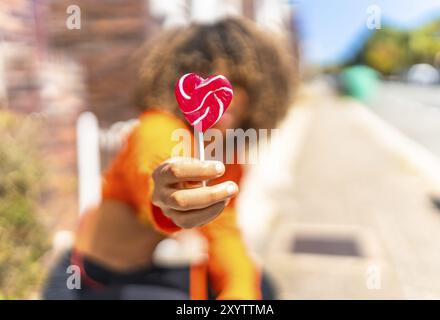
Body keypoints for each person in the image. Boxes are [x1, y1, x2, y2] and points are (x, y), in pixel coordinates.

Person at [44, 17, 298, 300]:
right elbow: (156, 162)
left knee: (262, 286)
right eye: (209, 78)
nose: (226, 94)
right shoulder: (157, 126)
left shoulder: (229, 159)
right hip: (84, 282)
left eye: (238, 82)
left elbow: (223, 233)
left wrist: (240, 290)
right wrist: (168, 191)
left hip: (142, 273)